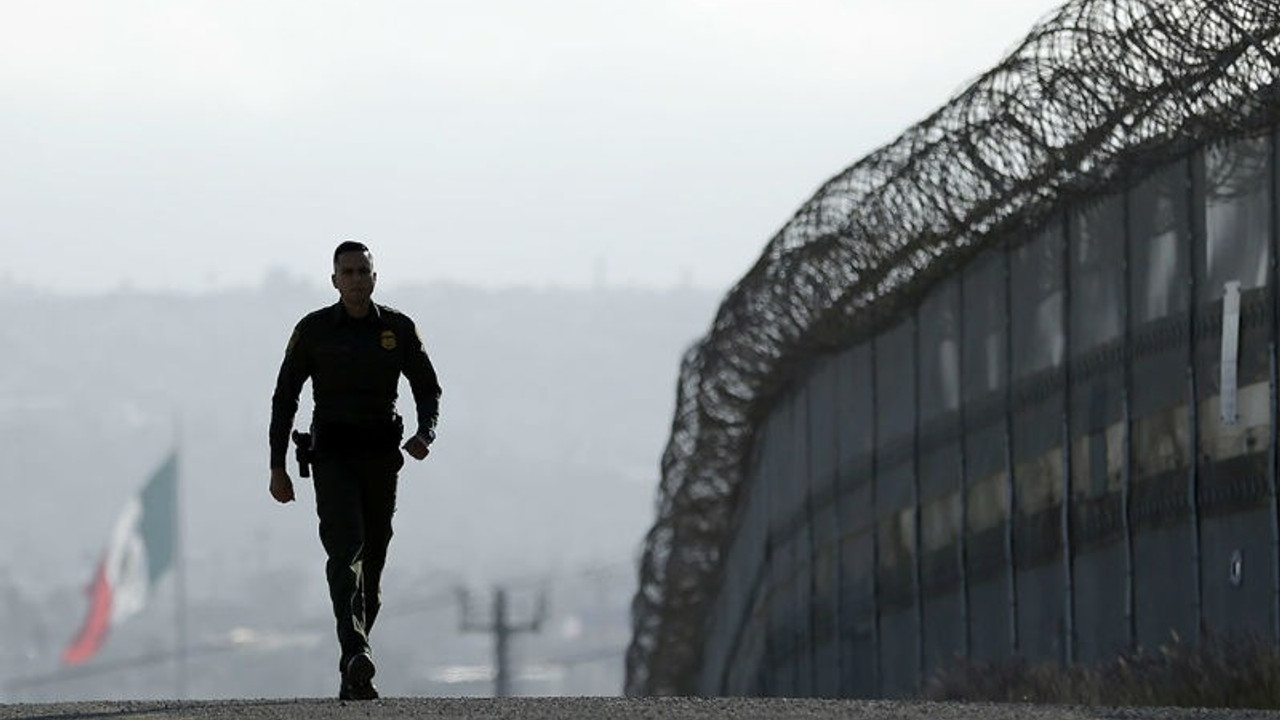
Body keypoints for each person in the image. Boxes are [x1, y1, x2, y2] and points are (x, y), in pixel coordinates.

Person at [267, 239, 441, 700]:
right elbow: (285, 398)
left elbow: (428, 388)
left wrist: (426, 433)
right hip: (333, 458)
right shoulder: (315, 331)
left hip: (382, 459)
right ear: (334, 280)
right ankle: (357, 650)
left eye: (363, 271)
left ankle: (352, 668)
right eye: (348, 272)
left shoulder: (398, 330)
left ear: (374, 277)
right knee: (346, 553)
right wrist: (277, 467)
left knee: (374, 571)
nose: (356, 280)